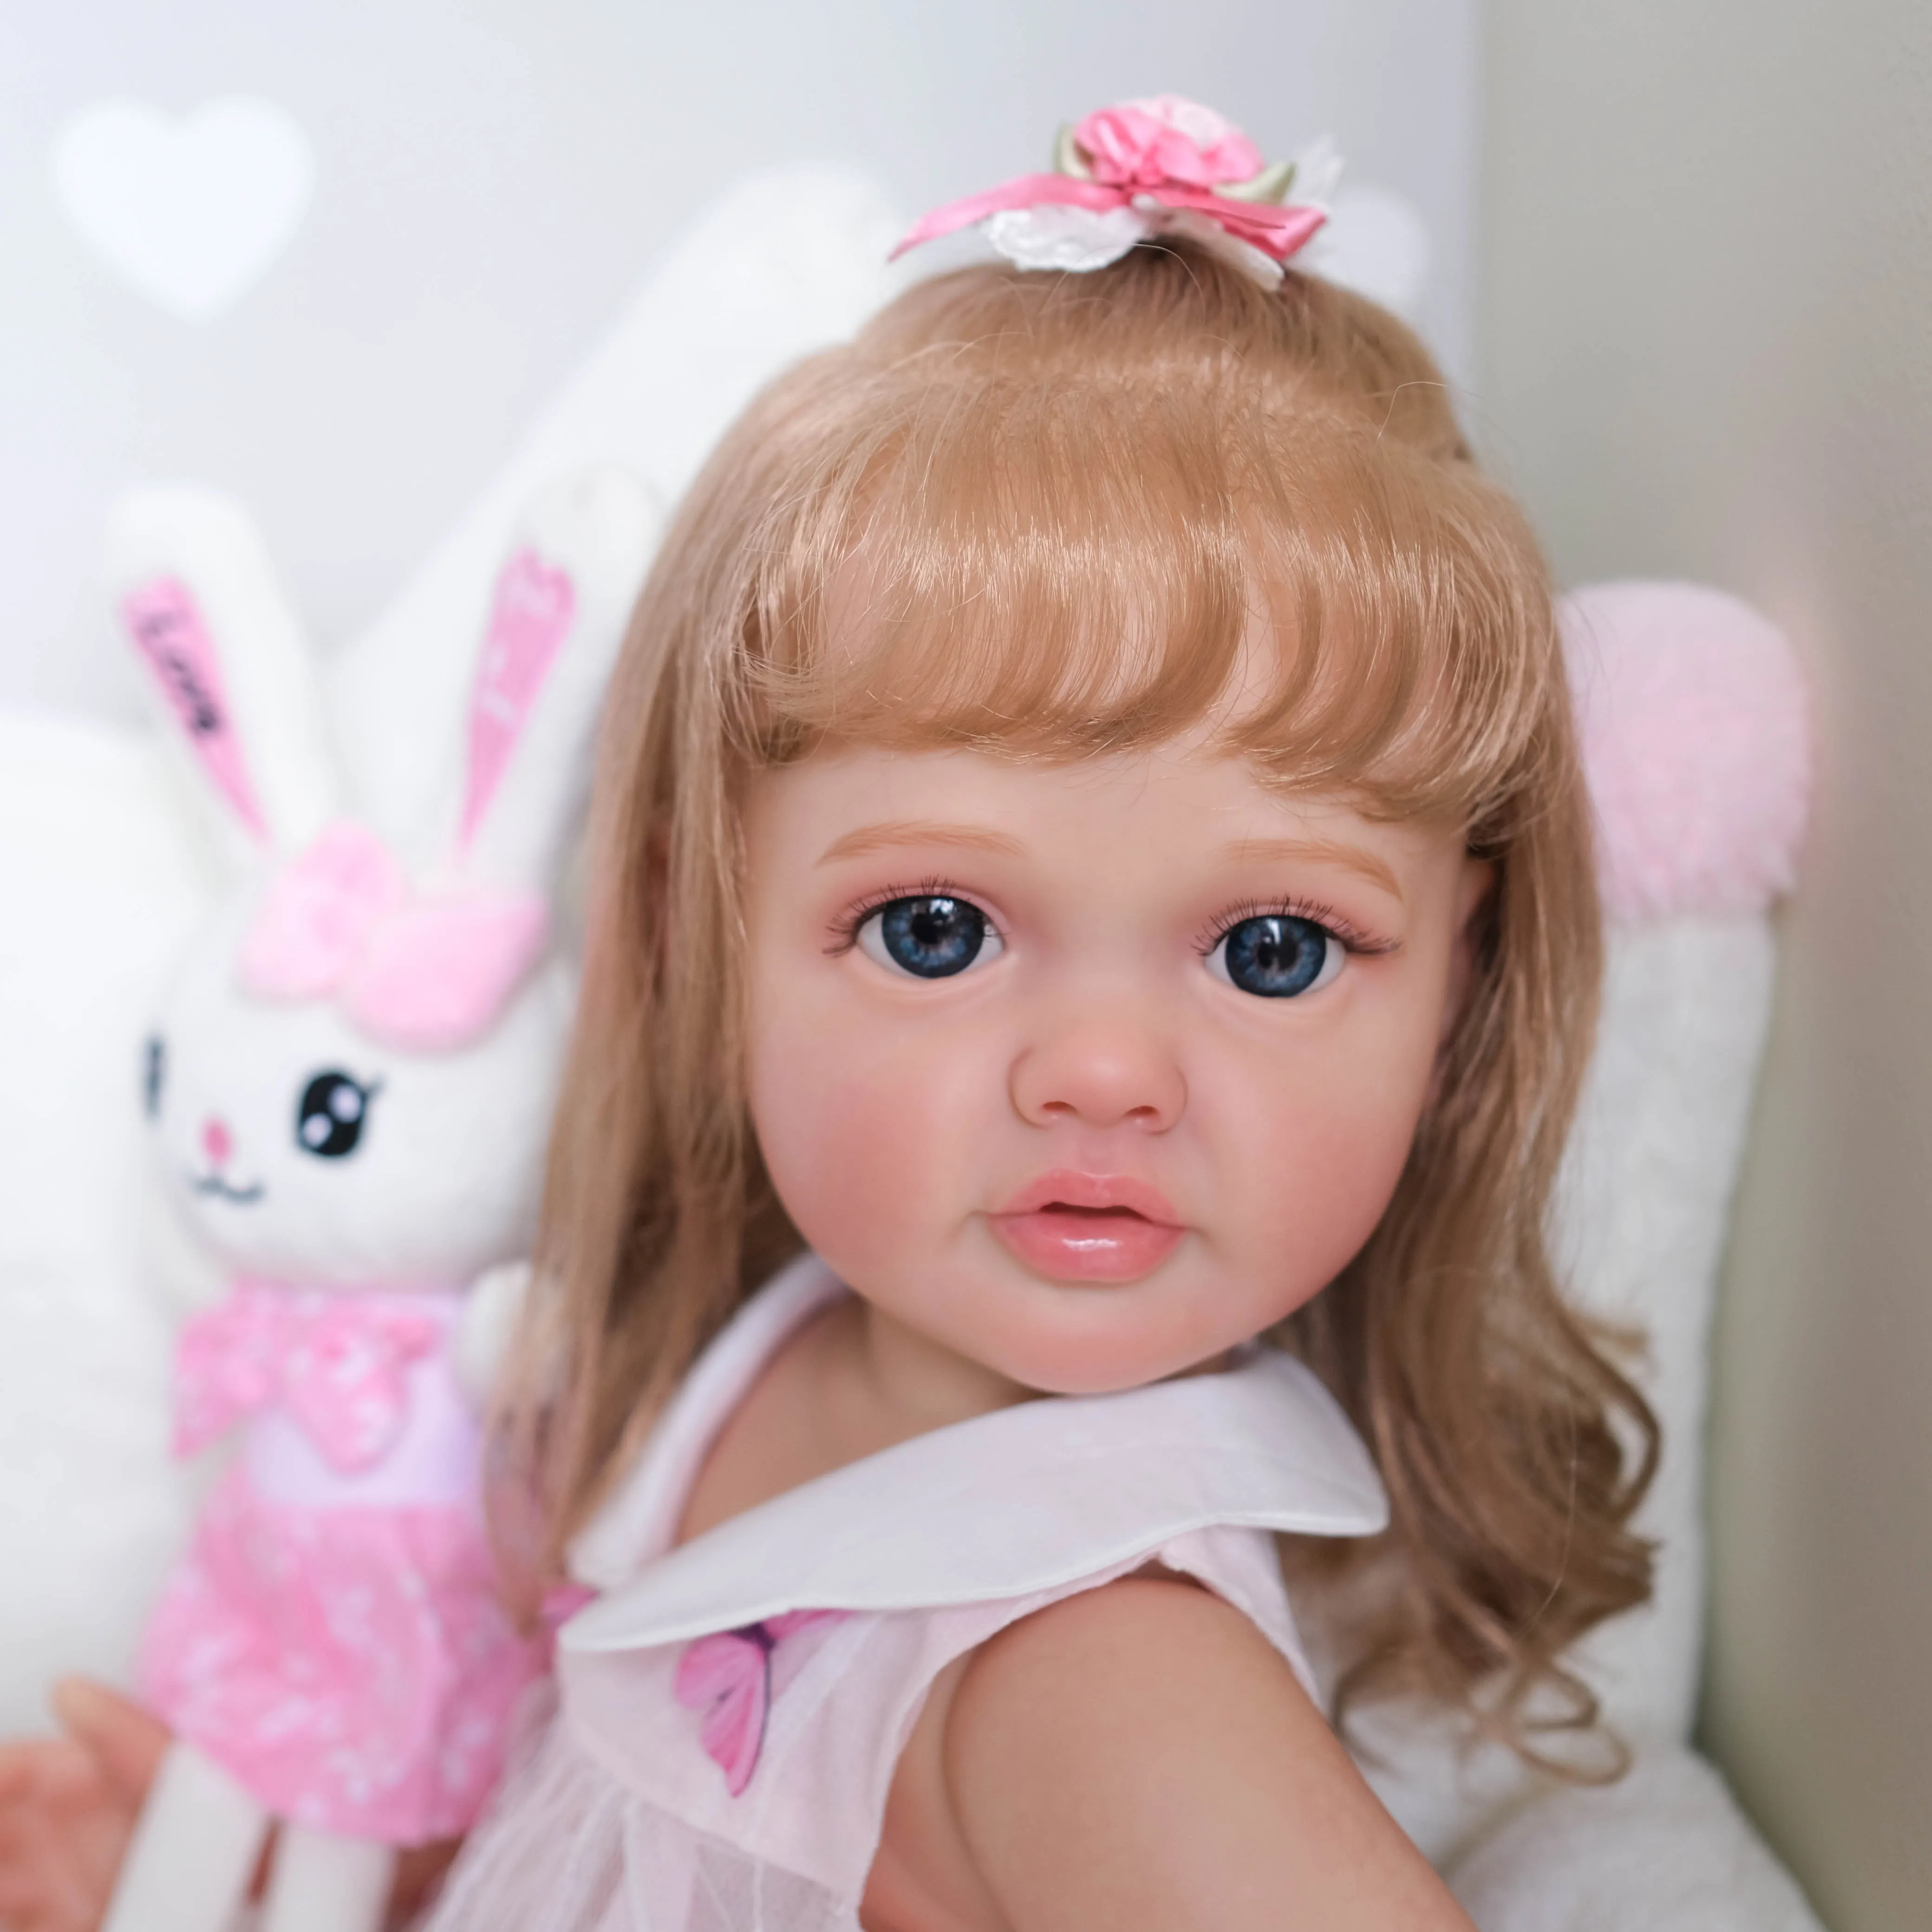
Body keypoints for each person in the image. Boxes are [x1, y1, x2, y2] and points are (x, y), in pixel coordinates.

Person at [3, 96, 1658, 1932]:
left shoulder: (1102, 1674)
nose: (1101, 1073)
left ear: (1460, 981)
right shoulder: (747, 1369)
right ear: (693, 926)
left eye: (1273, 948)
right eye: (936, 932)